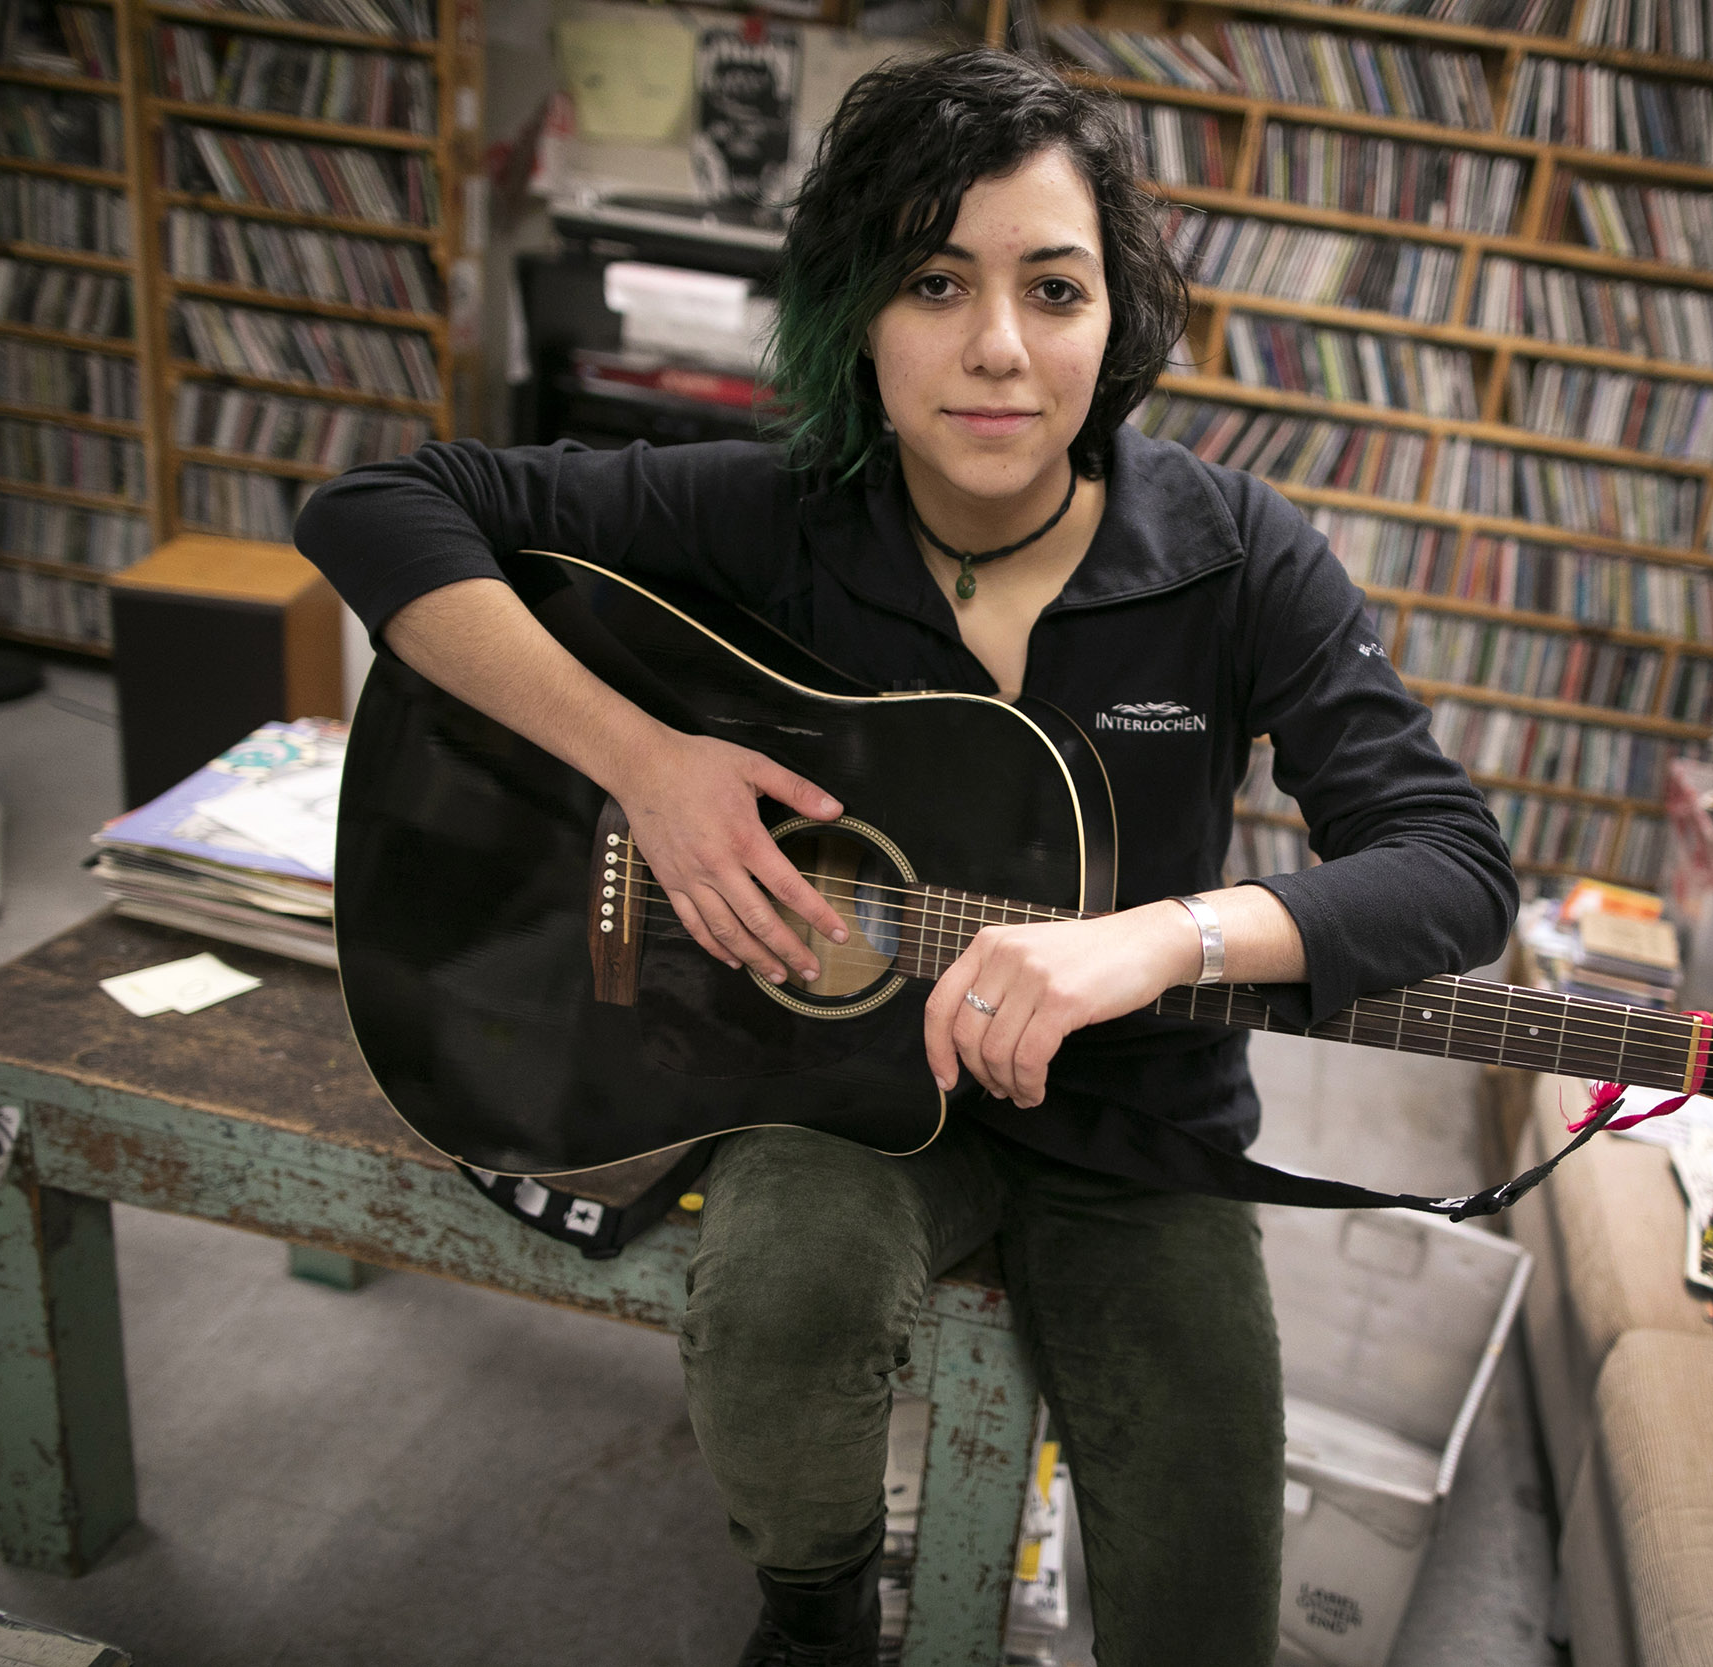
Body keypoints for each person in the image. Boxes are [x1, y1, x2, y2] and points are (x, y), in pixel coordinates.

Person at [294, 47, 1515, 1667]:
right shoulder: (781, 514)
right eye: (936, 282)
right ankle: (811, 1608)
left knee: (1208, 1604)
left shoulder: (1240, 557)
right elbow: (380, 507)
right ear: (857, 310)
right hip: (842, 1086)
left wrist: (1161, 940)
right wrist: (646, 765)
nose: (998, 350)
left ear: (1116, 317)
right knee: (775, 1310)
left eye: (1054, 289)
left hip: (1139, 1121)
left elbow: (1452, 866)